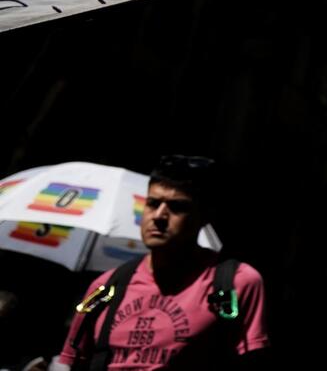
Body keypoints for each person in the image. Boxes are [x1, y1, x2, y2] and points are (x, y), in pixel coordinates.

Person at [53, 156, 269, 370]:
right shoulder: (106, 286)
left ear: (204, 215)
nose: (159, 216)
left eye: (177, 207)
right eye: (152, 203)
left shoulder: (235, 283)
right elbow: (69, 362)